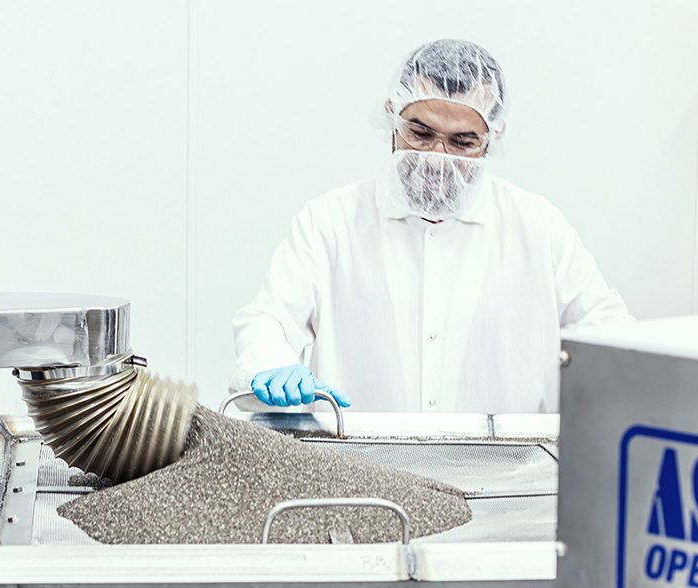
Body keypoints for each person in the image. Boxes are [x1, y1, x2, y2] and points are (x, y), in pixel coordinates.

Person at [228, 39, 631, 414]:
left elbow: (614, 338)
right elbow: (269, 320)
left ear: (494, 137)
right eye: (421, 133)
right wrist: (272, 363)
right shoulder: (330, 223)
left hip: (506, 482)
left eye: (463, 142)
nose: (438, 158)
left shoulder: (538, 230)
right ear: (392, 117)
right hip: (363, 480)